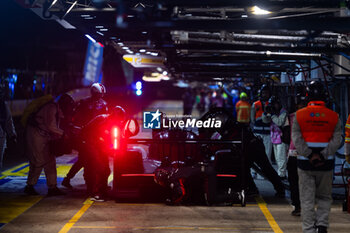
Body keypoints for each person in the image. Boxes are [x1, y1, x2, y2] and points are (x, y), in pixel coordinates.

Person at [292, 81, 342, 233]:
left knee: (307, 199)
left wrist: (310, 155)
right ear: (325, 97)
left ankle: (308, 230)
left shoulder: (299, 116)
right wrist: (323, 155)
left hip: (305, 164)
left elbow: (296, 139)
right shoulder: (334, 116)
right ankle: (322, 226)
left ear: (307, 96)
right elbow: (337, 140)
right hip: (326, 164)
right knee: (325, 197)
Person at [24, 94, 74, 196]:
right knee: (38, 161)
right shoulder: (51, 108)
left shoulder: (56, 108)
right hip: (36, 135)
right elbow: (51, 126)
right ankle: (29, 186)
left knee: (50, 161)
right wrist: (63, 133)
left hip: (44, 135)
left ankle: (52, 187)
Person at [62, 83, 108, 189]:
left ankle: (71, 179)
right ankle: (86, 181)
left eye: (101, 94)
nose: (100, 97)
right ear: (94, 93)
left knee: (89, 159)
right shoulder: (84, 103)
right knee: (84, 159)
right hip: (85, 135)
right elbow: (75, 118)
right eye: (99, 94)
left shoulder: (103, 104)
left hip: (98, 135)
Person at [80, 106, 126, 201]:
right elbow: (86, 130)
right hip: (92, 146)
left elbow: (111, 139)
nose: (119, 122)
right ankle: (96, 193)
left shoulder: (113, 124)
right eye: (118, 119)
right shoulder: (101, 119)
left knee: (106, 170)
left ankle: (103, 189)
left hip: (101, 148)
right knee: (100, 169)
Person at [287, 94, 306, 216]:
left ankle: (298, 206)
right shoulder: (311, 117)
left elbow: (284, 134)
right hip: (305, 154)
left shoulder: (291, 117)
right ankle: (301, 206)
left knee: (294, 182)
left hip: (295, 153)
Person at [266, 96, 288, 179]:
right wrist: (266, 113)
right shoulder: (273, 112)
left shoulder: (283, 112)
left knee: (281, 157)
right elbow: (266, 121)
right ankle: (281, 173)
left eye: (274, 104)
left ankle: (282, 175)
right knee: (277, 158)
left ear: (278, 103)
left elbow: (279, 122)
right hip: (274, 138)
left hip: (282, 138)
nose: (273, 106)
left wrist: (272, 115)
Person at [251, 84, 272, 161]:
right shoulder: (255, 104)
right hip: (257, 132)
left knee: (267, 154)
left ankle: (266, 172)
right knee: (256, 152)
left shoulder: (271, 104)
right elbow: (252, 119)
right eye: (263, 92)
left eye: (267, 93)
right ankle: (254, 172)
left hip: (268, 133)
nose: (265, 94)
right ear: (261, 93)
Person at [0, 90, 17, 169]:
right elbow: (8, 121)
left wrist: (12, 135)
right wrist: (12, 134)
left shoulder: (3, 105)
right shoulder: (3, 105)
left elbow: (8, 121)